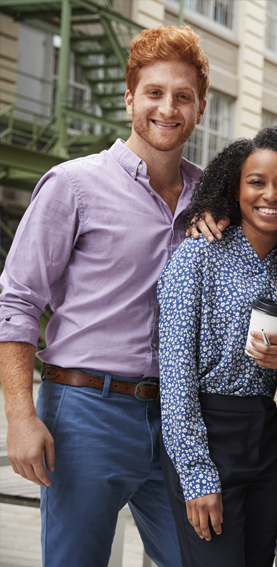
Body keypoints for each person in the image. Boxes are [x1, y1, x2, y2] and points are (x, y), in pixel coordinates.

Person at [0, 26, 209, 566]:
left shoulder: (213, 197)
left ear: (201, 109)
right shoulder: (73, 184)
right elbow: (18, 301)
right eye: (155, 93)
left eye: (183, 96)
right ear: (129, 99)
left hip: (181, 419)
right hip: (85, 412)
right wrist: (20, 417)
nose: (168, 108)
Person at [157, 126, 277, 566]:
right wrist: (197, 476)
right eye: (256, 181)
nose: (270, 195)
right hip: (207, 434)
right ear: (234, 189)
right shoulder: (197, 255)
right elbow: (175, 377)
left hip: (266, 436)